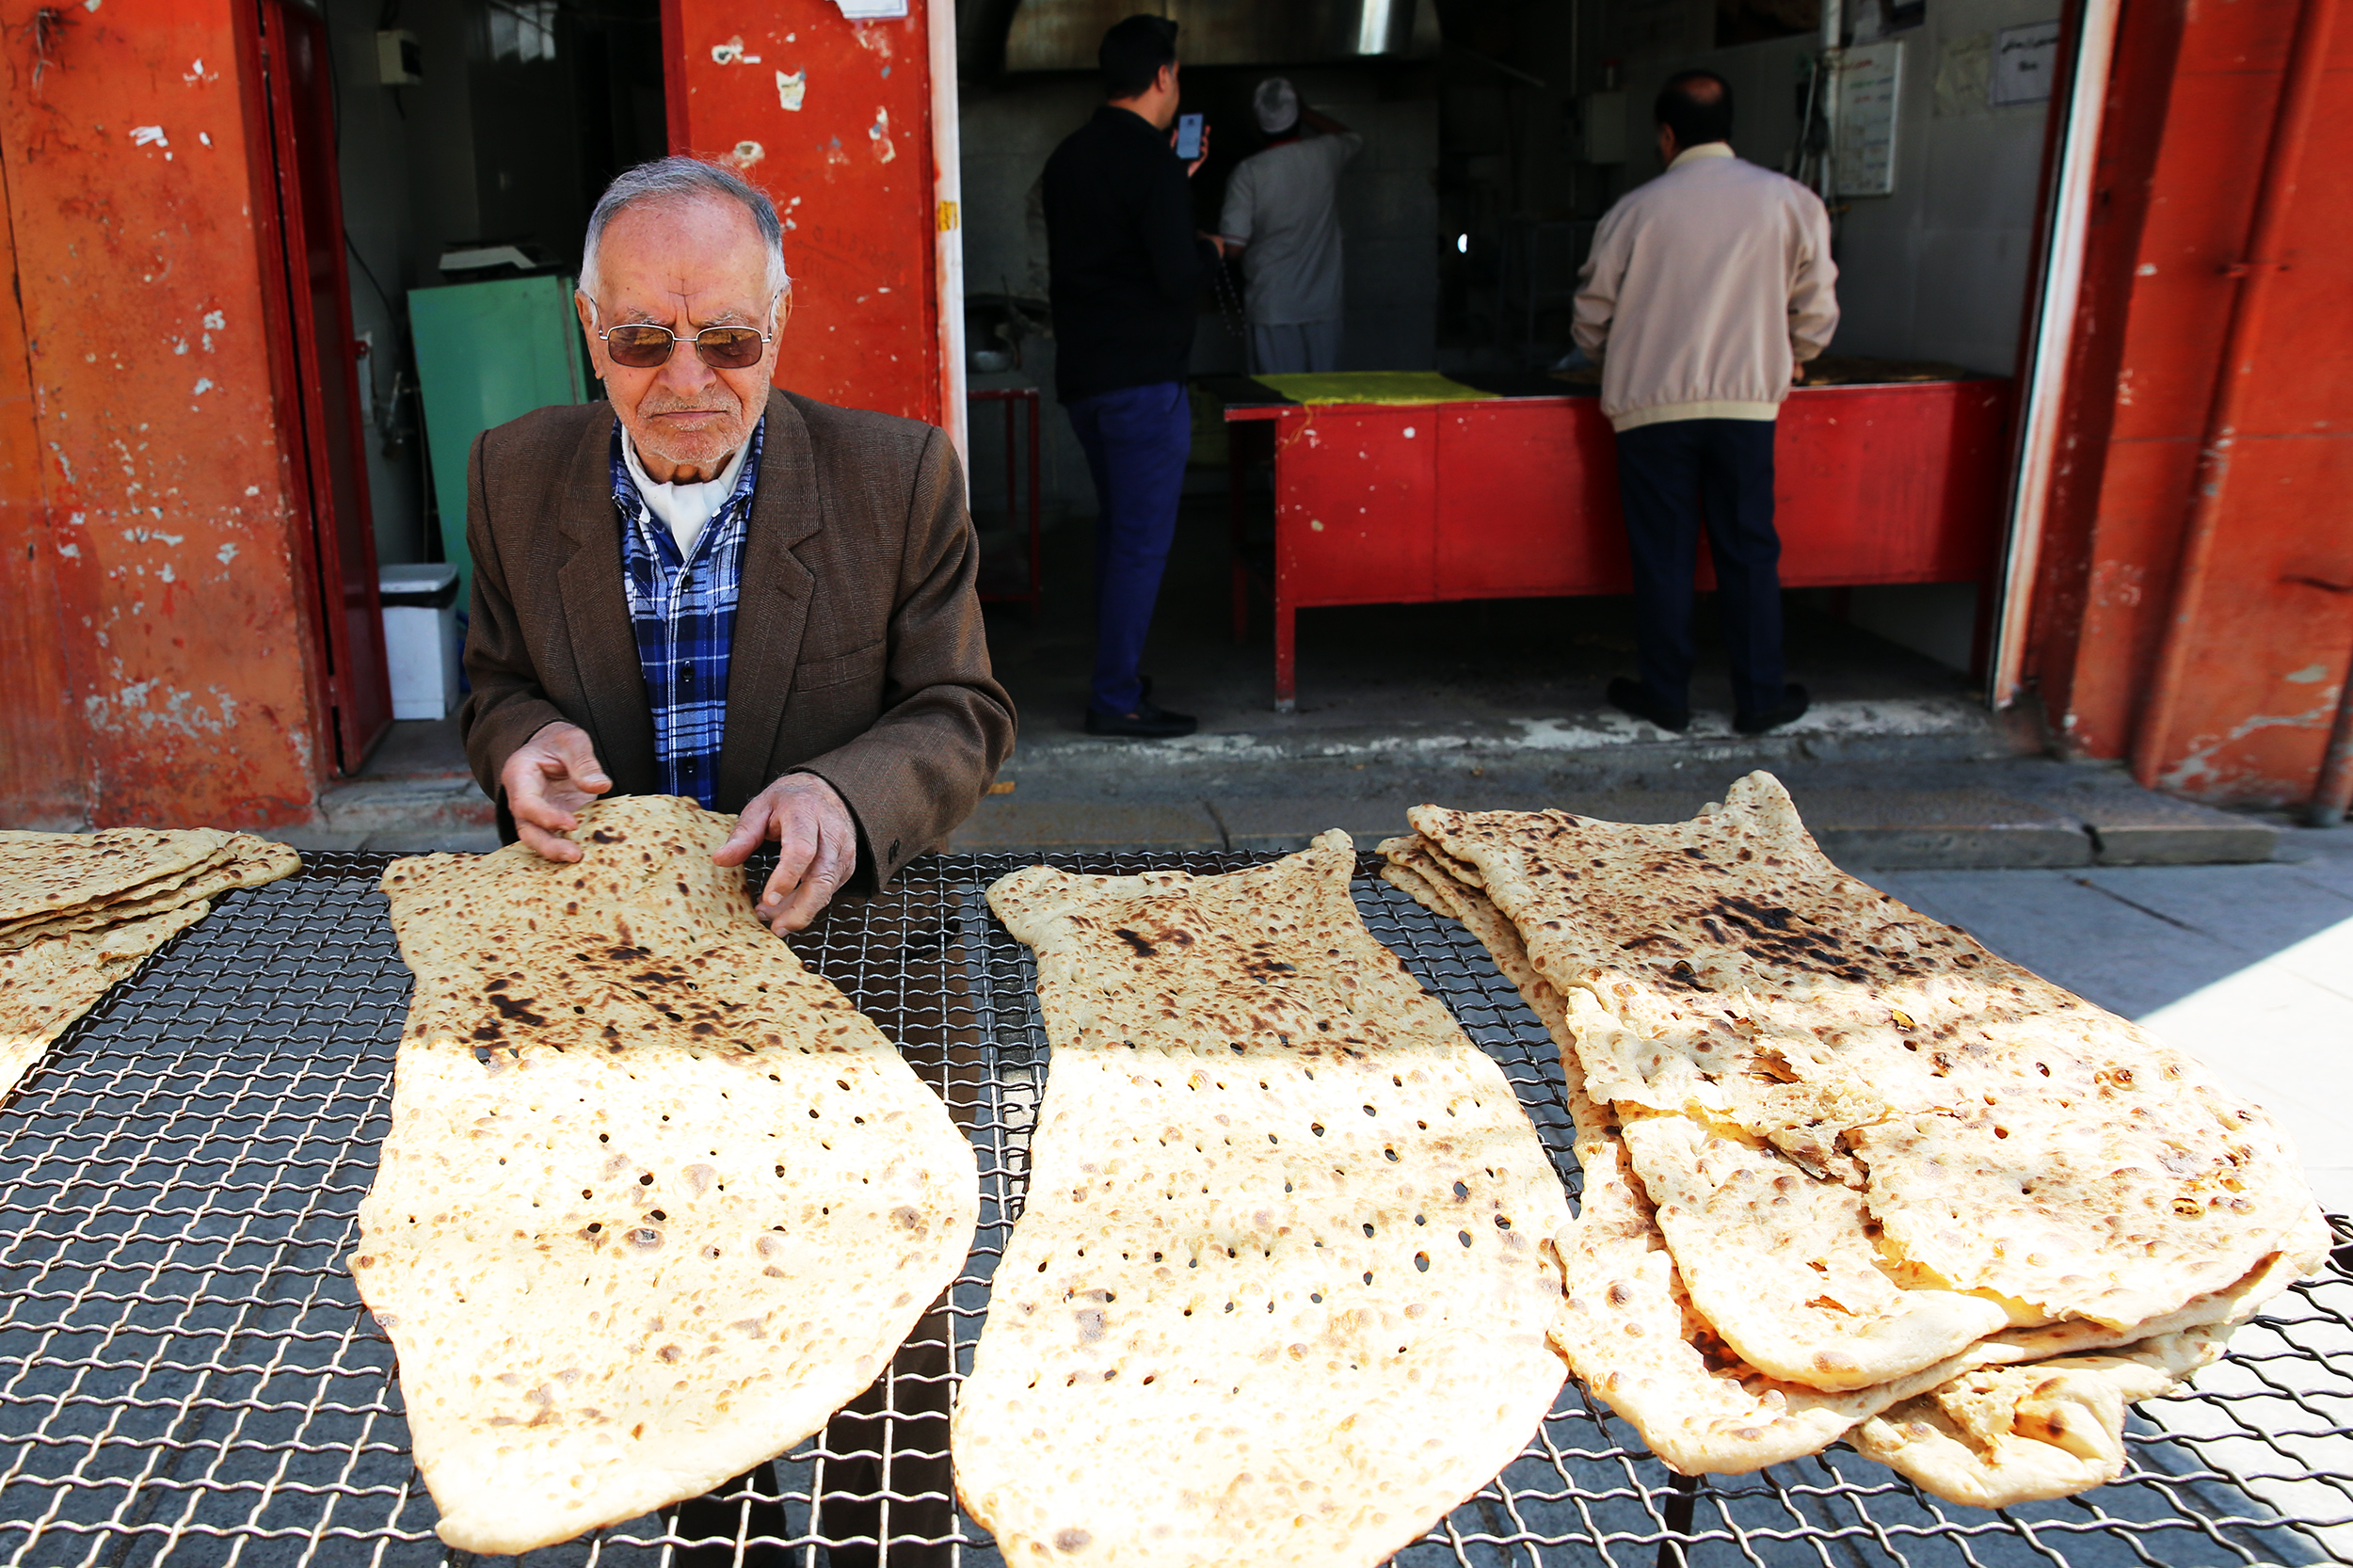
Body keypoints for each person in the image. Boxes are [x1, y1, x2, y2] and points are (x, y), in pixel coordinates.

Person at [459, 156, 1016, 932]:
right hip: (601, 937)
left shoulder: (900, 476)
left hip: (840, 932)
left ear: (777, 321)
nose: (688, 380)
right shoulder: (510, 474)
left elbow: (962, 709)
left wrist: (840, 796)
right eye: (642, 339)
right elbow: (497, 684)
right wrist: (527, 737)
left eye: (727, 338)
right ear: (590, 328)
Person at [1572, 70, 1838, 735]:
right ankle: (1760, 698)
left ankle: (1666, 696)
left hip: (1651, 409)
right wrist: (1797, 352)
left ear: (1666, 135)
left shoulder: (1634, 210)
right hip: (1747, 407)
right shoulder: (1791, 201)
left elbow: (1591, 314)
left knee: (1663, 554)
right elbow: (1816, 308)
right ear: (1729, 127)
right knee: (1748, 550)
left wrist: (1606, 355)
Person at [1041, 14, 1220, 739]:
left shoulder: (1068, 158)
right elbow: (1178, 276)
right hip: (1144, 383)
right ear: (1164, 76)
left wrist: (1174, 186)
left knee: (1119, 537)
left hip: (1087, 380)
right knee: (1140, 546)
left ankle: (1119, 676)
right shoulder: (1153, 162)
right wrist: (1210, 249)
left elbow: (1108, 249)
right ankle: (1115, 696)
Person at [1217, 78, 1363, 376]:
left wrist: (1204, 239)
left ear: (1258, 124)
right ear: (1297, 116)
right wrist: (1306, 112)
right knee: (1325, 397)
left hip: (1273, 308)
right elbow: (1353, 138)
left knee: (1278, 397)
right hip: (1323, 308)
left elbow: (1232, 249)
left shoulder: (1249, 173)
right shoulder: (1325, 154)